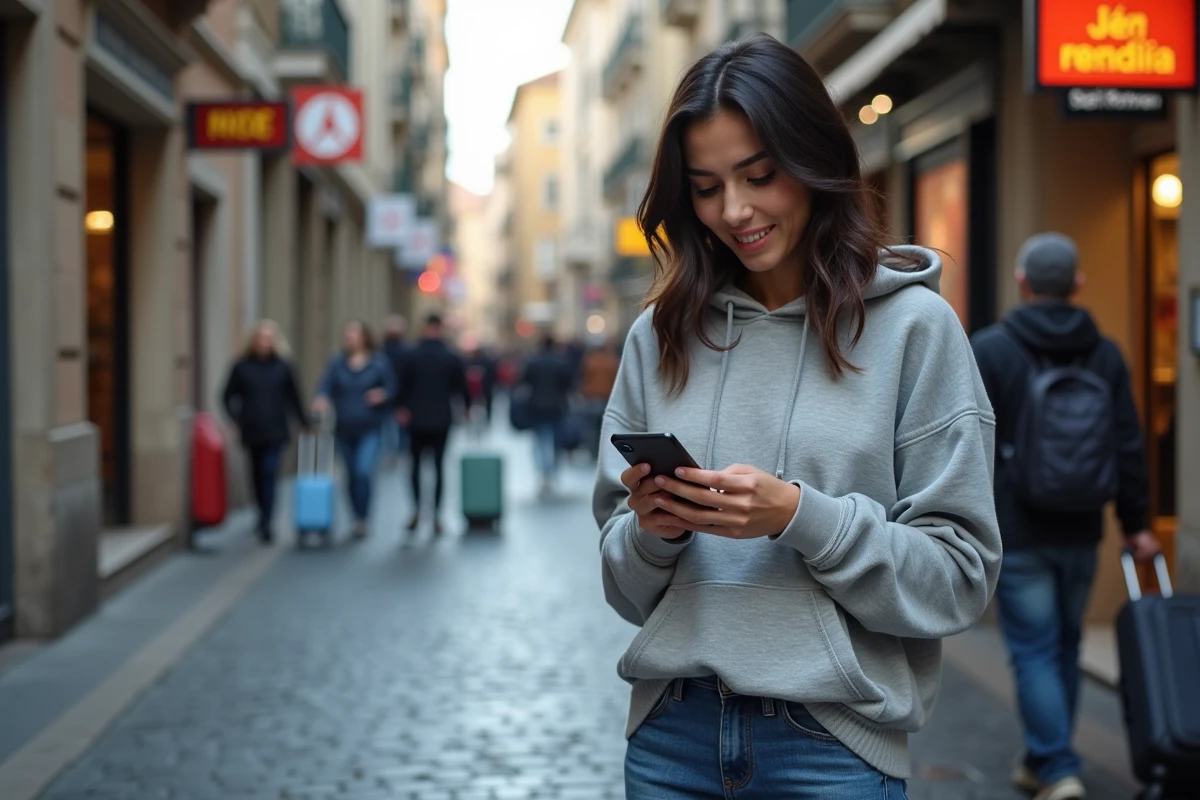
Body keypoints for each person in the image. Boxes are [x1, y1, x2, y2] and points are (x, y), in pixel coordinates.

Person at [592, 34, 1002, 799]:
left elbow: (960, 580)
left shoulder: (914, 329)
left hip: (833, 750)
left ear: (814, 160)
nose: (735, 210)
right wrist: (654, 529)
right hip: (669, 743)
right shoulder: (659, 336)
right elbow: (621, 585)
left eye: (759, 175)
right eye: (707, 187)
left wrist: (801, 518)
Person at [970, 233, 1161, 800]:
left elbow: (969, 442)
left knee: (1033, 649)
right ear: (1076, 284)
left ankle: (1056, 768)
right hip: (1083, 526)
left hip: (1019, 527)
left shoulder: (992, 349)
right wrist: (1137, 523)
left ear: (1022, 281)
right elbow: (1128, 443)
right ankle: (1044, 760)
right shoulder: (1104, 352)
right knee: (1066, 647)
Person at [221, 320, 308, 543]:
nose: (265, 343)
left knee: (270, 472)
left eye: (269, 339)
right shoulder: (241, 366)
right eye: (261, 338)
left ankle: (267, 520)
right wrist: (233, 418)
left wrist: (304, 422)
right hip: (252, 429)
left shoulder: (284, 366)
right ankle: (261, 512)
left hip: (276, 429)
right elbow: (227, 395)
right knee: (257, 474)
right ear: (254, 341)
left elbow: (294, 397)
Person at [313, 320, 395, 540]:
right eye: (347, 335)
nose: (349, 338)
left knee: (363, 471)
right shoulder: (337, 363)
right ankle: (356, 517)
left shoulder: (379, 363)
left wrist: (383, 395)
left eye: (354, 334)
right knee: (350, 475)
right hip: (344, 427)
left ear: (364, 338)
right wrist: (321, 398)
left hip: (370, 427)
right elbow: (325, 386)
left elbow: (392, 388)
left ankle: (363, 518)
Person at [395, 313, 469, 534]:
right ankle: (436, 515)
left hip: (415, 419)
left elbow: (401, 386)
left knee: (415, 466)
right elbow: (461, 388)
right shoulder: (451, 356)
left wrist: (401, 408)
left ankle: (417, 509)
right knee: (438, 467)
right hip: (441, 418)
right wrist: (466, 408)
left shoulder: (411, 355)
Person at [520, 335, 575, 496]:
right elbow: (568, 385)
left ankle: (543, 473)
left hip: (536, 407)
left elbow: (525, 382)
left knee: (540, 441)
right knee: (556, 441)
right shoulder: (561, 363)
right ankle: (552, 470)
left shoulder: (533, 362)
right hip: (557, 407)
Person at [577, 339, 621, 459]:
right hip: (608, 398)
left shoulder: (589, 360)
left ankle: (593, 451)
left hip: (591, 398)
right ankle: (603, 451)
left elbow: (583, 378)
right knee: (605, 427)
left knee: (590, 428)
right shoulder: (612, 361)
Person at [381, 314, 410, 462]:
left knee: (390, 426)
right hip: (393, 396)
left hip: (387, 396)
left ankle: (391, 452)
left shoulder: (380, 351)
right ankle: (396, 451)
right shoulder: (407, 351)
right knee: (395, 427)